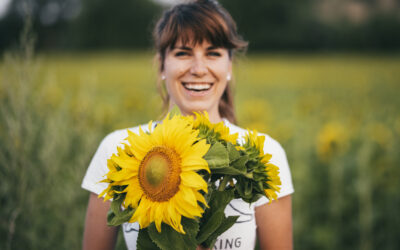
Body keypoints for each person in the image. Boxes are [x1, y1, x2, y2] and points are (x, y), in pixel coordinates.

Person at [81, 0, 294, 249]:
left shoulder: (264, 155)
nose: (198, 69)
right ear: (161, 65)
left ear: (229, 67)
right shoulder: (117, 150)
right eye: (183, 53)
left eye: (213, 54)